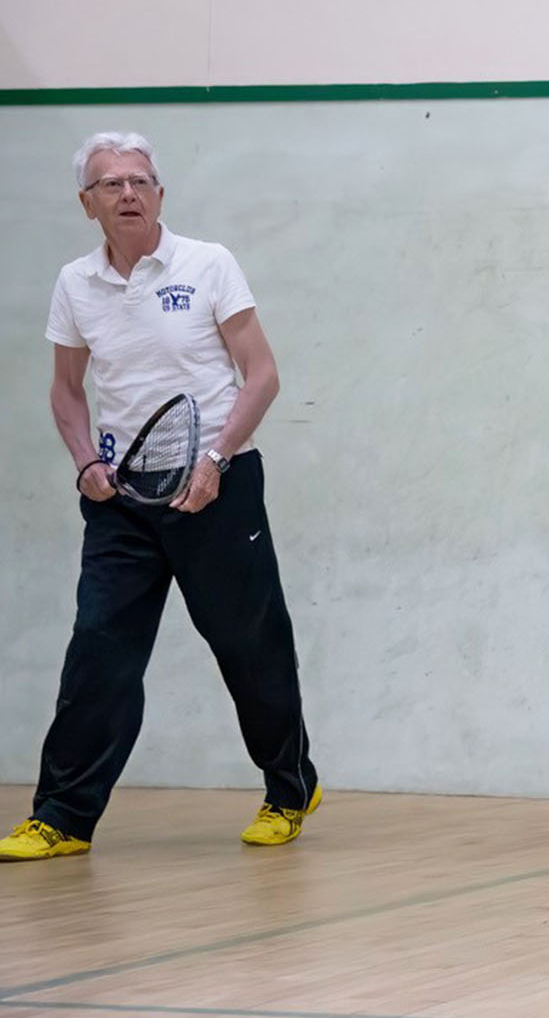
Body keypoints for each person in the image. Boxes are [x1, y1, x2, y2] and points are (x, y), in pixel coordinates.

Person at [0, 132, 320, 863]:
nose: (129, 194)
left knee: (249, 646)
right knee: (98, 655)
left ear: (161, 194)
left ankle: (289, 788)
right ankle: (62, 817)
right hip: (122, 503)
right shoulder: (75, 285)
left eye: (141, 181)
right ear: (88, 204)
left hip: (218, 487)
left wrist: (216, 457)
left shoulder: (209, 265)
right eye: (111, 185)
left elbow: (261, 373)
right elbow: (66, 390)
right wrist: (85, 464)